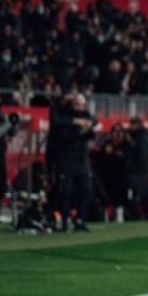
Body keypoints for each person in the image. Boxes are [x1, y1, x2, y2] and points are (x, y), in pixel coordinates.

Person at [52, 93, 98, 232]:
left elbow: (93, 123)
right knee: (66, 192)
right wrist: (78, 126)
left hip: (83, 160)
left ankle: (80, 220)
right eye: (77, 104)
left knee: (87, 191)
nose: (79, 107)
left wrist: (87, 127)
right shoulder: (65, 117)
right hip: (67, 160)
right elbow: (62, 132)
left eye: (82, 105)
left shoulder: (86, 116)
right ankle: (65, 221)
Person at [0, 89, 20, 233]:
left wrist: (14, 125)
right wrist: (8, 123)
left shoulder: (0, 114)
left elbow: (10, 132)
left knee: (0, 189)